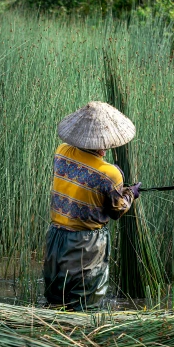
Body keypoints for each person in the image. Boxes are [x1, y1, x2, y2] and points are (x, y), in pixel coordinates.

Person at [43, 101, 141, 310]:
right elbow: (116, 210)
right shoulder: (110, 173)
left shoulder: (61, 152)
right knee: (86, 303)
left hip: (56, 238)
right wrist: (130, 194)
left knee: (56, 300)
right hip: (85, 243)